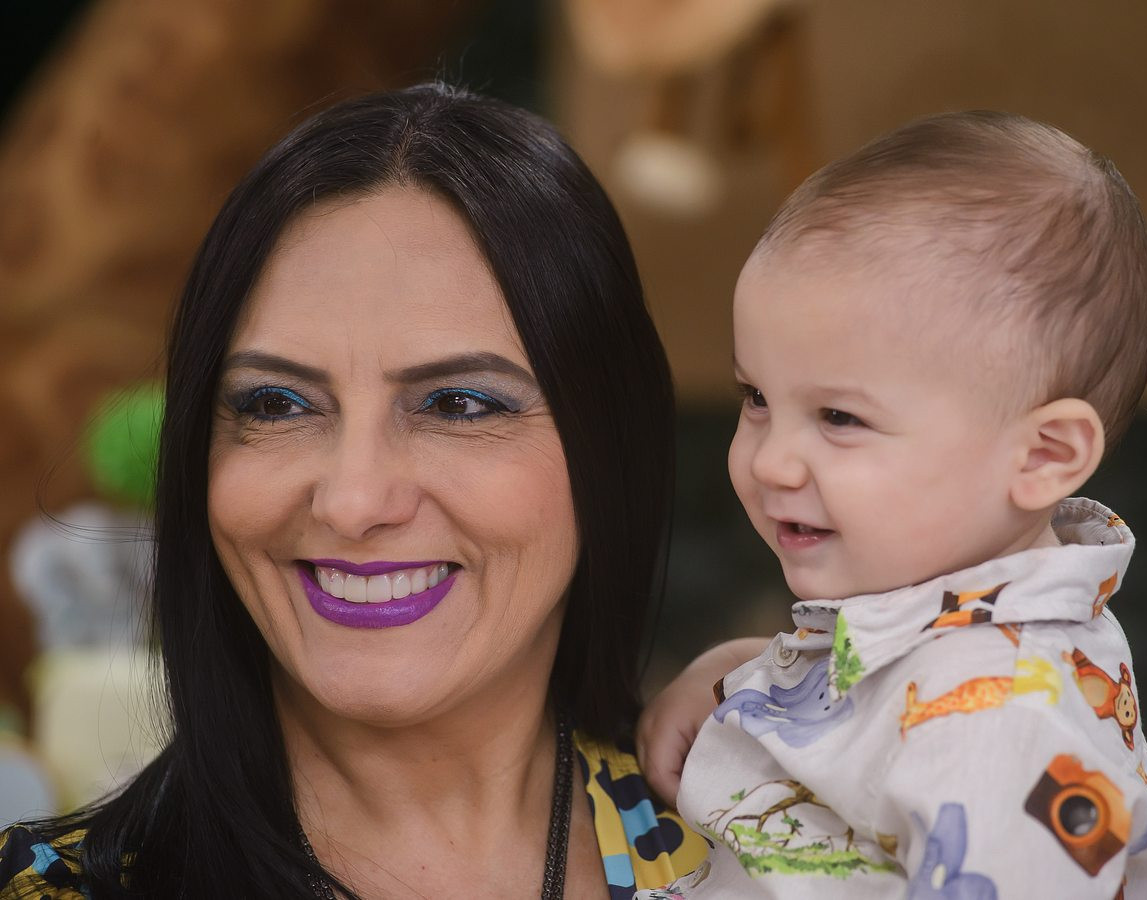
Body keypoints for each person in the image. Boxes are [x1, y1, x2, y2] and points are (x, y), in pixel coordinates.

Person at [0, 83, 710, 899]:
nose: (352, 501)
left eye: (458, 404)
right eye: (277, 404)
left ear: (608, 445)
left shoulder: (771, 852)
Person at [638, 111, 1147, 898]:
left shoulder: (1002, 726)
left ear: (1042, 456)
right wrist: (741, 677)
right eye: (757, 397)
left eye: (839, 417)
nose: (769, 460)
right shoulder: (956, 645)